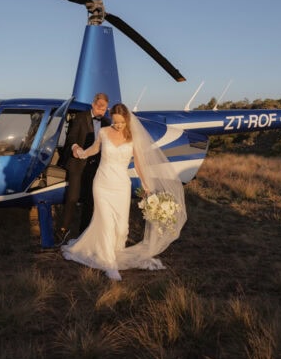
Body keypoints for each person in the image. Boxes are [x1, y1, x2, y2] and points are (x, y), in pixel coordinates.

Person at [61, 103, 187, 280]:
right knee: (106, 224)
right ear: (111, 118)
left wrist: (145, 185)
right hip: (102, 184)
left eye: (121, 122)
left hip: (121, 185)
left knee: (121, 228)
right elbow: (94, 149)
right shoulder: (104, 132)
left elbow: (138, 163)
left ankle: (114, 253)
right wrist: (80, 152)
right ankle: (110, 264)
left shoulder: (132, 136)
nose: (118, 125)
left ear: (126, 120)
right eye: (115, 121)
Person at [55, 92, 110, 245]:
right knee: (72, 198)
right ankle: (62, 232)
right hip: (77, 165)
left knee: (90, 201)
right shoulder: (80, 118)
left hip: (95, 167)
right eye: (99, 106)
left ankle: (84, 235)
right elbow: (71, 137)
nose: (101, 110)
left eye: (104, 107)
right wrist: (74, 147)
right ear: (93, 104)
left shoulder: (106, 122)